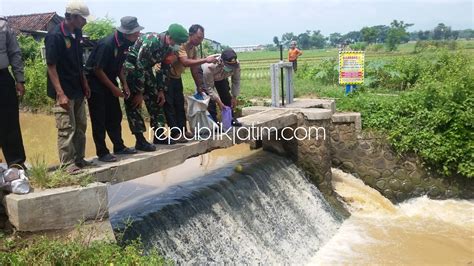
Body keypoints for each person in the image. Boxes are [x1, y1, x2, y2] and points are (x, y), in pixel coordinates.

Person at [85, 16, 142, 162]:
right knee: (99, 119)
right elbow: (97, 70)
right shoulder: (107, 44)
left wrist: (124, 84)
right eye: (135, 33)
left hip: (109, 80)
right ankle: (102, 152)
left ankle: (119, 147)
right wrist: (113, 89)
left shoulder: (125, 44)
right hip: (95, 83)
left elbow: (120, 66)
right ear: (126, 33)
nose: (137, 35)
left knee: (115, 115)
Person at [123, 24, 188, 151]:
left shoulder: (169, 47)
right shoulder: (151, 42)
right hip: (131, 69)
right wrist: (139, 92)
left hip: (145, 69)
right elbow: (139, 64)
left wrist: (161, 90)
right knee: (134, 104)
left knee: (157, 101)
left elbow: (164, 68)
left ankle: (159, 136)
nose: (178, 46)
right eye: (177, 42)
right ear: (169, 37)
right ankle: (140, 140)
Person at [45, 1, 92, 174]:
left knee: (81, 126)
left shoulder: (77, 33)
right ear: (72, 17)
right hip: (63, 90)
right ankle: (67, 164)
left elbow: (79, 61)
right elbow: (51, 66)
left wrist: (85, 82)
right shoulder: (55, 36)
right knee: (66, 128)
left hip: (77, 87)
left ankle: (79, 159)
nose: (85, 22)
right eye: (82, 18)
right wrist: (60, 93)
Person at [164, 24, 218, 143]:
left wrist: (199, 85)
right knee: (170, 105)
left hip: (176, 77)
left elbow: (194, 68)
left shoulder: (193, 49)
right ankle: (176, 133)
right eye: (198, 38)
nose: (200, 41)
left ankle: (183, 130)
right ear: (190, 35)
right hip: (165, 76)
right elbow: (185, 62)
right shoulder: (180, 45)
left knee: (180, 104)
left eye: (202, 38)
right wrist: (206, 60)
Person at [0, 16, 27, 170]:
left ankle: (16, 163)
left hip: (2, 77)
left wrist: (20, 80)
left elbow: (14, 53)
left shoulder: (3, 25)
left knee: (9, 122)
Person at [200, 48, 242, 127]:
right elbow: (209, 88)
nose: (231, 68)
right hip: (207, 76)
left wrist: (234, 96)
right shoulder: (209, 67)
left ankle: (231, 118)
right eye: (228, 66)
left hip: (221, 76)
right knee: (210, 99)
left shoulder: (236, 65)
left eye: (232, 66)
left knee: (226, 95)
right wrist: (218, 102)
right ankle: (214, 124)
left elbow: (236, 81)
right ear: (221, 61)